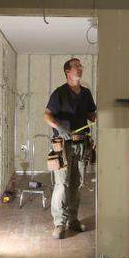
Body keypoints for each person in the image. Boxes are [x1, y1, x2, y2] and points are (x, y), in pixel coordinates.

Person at [43, 58, 97, 239]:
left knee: (77, 183)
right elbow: (47, 115)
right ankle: (59, 223)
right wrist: (60, 128)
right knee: (62, 184)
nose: (80, 68)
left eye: (81, 66)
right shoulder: (60, 93)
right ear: (68, 71)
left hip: (82, 144)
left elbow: (91, 114)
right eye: (77, 66)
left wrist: (99, 115)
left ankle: (73, 220)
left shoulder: (86, 93)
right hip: (64, 146)